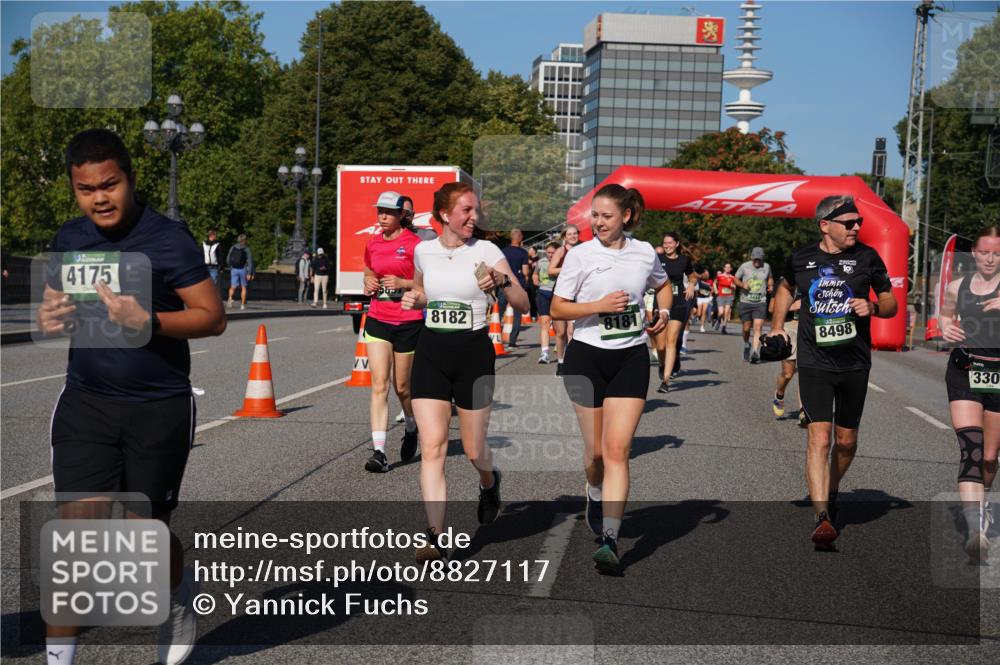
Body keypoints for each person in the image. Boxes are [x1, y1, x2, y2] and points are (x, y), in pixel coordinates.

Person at [37, 128, 226, 665]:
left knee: (144, 538)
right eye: (85, 188)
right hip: (87, 402)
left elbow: (212, 318)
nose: (99, 197)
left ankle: (174, 595)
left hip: (158, 406)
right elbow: (55, 305)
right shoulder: (70, 237)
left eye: (110, 184)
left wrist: (150, 320)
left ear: (130, 179)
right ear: (74, 189)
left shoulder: (169, 240)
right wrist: (51, 316)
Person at [400, 182, 528, 561]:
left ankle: (489, 482)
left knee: (473, 449)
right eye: (466, 211)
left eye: (475, 211)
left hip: (473, 355)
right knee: (433, 447)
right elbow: (424, 292)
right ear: (444, 215)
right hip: (431, 351)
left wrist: (502, 281)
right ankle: (435, 535)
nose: (474, 218)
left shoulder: (487, 251)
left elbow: (521, 301)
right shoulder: (424, 251)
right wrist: (415, 298)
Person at [550, 184, 671, 574]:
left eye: (606, 216)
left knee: (617, 450)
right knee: (596, 454)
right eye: (594, 216)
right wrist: (598, 306)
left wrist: (663, 313)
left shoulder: (644, 252)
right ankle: (595, 491)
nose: (598, 222)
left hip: (631, 357)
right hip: (587, 357)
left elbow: (663, 285)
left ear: (627, 217)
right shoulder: (580, 255)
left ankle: (611, 538)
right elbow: (557, 307)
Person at [769, 194, 897, 547]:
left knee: (846, 441)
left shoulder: (868, 257)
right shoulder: (801, 257)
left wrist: (872, 305)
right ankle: (822, 516)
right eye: (849, 223)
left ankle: (833, 484)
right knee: (819, 437)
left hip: (855, 362)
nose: (857, 227)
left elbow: (890, 303)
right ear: (825, 226)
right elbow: (784, 287)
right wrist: (778, 325)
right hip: (814, 361)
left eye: (859, 222)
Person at [939, 225, 1000, 563]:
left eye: (997, 253)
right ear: (974, 253)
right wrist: (946, 326)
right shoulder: (956, 287)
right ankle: (974, 529)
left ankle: (984, 503)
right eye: (985, 252)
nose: (990, 259)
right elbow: (945, 319)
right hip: (965, 372)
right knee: (971, 450)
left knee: (990, 458)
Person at [361, 191, 424, 472]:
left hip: (408, 322)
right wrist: (369, 283)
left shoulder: (415, 245)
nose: (383, 217)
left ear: (402, 215)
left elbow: (425, 285)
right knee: (379, 384)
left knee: (402, 387)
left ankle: (412, 426)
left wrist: (402, 282)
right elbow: (367, 270)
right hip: (377, 319)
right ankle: (379, 452)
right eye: (380, 212)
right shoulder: (373, 243)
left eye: (388, 212)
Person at [655, 232, 696, 393]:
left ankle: (665, 381)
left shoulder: (684, 260)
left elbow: (692, 275)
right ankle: (662, 364)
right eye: (664, 243)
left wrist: (691, 285)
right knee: (661, 345)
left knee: (671, 341)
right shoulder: (657, 260)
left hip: (678, 302)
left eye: (670, 243)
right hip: (661, 303)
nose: (666, 245)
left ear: (677, 244)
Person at [548, 225, 581, 375]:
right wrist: (568, 268)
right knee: (560, 332)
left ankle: (572, 363)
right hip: (561, 293)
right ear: (565, 237)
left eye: (575, 234)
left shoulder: (582, 250)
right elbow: (551, 270)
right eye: (570, 234)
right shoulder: (561, 251)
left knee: (571, 331)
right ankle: (560, 363)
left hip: (577, 293)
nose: (573, 236)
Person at [735, 247, 773, 363]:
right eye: (755, 259)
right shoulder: (744, 266)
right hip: (745, 302)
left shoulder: (766, 266)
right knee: (746, 329)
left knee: (758, 327)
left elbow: (770, 278)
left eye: (759, 259)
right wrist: (742, 284)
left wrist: (771, 285)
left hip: (760, 302)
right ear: (752, 258)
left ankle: (755, 352)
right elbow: (735, 279)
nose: (757, 261)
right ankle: (747, 344)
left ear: (762, 258)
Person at [772, 296, 804, 424]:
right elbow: (771, 308)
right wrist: (791, 307)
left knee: (806, 373)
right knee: (788, 374)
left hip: (813, 329)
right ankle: (779, 394)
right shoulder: (788, 280)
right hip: (791, 329)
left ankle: (803, 411)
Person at [498, 228, 531, 348]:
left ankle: (496, 336)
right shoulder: (523, 253)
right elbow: (525, 271)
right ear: (520, 237)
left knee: (499, 311)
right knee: (517, 314)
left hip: (505, 283)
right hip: (518, 284)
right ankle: (512, 341)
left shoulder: (503, 251)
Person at [534, 241, 559, 364]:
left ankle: (560, 346)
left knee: (558, 325)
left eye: (552, 253)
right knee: (544, 323)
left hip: (557, 294)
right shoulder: (541, 262)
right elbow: (534, 274)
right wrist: (536, 282)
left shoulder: (562, 263)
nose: (550, 255)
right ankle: (544, 353)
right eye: (548, 252)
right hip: (543, 293)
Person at [226, 233, 254, 310]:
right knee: (244, 287)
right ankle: (242, 305)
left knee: (233, 286)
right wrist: (249, 273)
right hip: (243, 269)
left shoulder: (233, 247)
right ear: (245, 240)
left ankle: (230, 298)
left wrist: (231, 266)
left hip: (234, 269)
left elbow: (228, 259)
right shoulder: (246, 249)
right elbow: (250, 262)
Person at [714, 262, 736, 334]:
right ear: (724, 268)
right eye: (726, 267)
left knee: (726, 312)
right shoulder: (720, 276)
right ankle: (718, 320)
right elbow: (714, 283)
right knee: (721, 312)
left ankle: (724, 327)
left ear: (731, 269)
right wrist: (716, 290)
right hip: (721, 296)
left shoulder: (732, 277)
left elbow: (734, 287)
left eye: (729, 267)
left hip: (729, 296)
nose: (727, 268)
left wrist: (734, 289)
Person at [694, 265, 713, 333]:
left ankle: (702, 326)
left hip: (706, 298)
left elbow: (711, 289)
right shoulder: (699, 280)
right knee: (699, 313)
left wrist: (711, 296)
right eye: (705, 273)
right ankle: (696, 316)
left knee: (704, 311)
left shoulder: (710, 281)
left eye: (707, 274)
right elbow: (696, 287)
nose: (706, 275)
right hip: (699, 297)